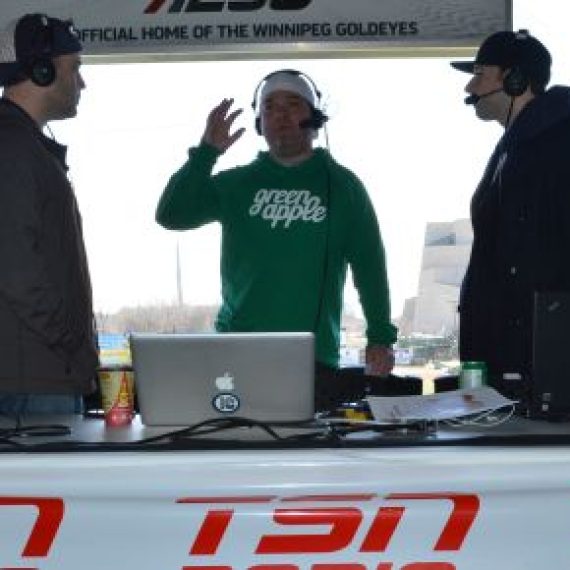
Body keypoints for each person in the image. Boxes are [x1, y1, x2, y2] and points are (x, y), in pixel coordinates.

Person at [156, 69, 397, 409]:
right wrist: (206, 153)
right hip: (236, 353)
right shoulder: (236, 184)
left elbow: (370, 266)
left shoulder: (344, 187)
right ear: (260, 123)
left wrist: (380, 337)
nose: (280, 115)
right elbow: (171, 214)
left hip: (312, 358)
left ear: (315, 118)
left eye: (293, 104)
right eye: (269, 107)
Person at [451, 30, 570, 400]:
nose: (470, 87)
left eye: (480, 74)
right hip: (516, 363)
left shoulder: (556, 144)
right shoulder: (515, 147)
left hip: (540, 370)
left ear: (515, 80)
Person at [0, 13, 98, 416]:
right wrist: (69, 342)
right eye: (74, 68)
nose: (82, 83)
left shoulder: (24, 145)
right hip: (32, 382)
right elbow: (16, 269)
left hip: (39, 374)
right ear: (42, 71)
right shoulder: (11, 148)